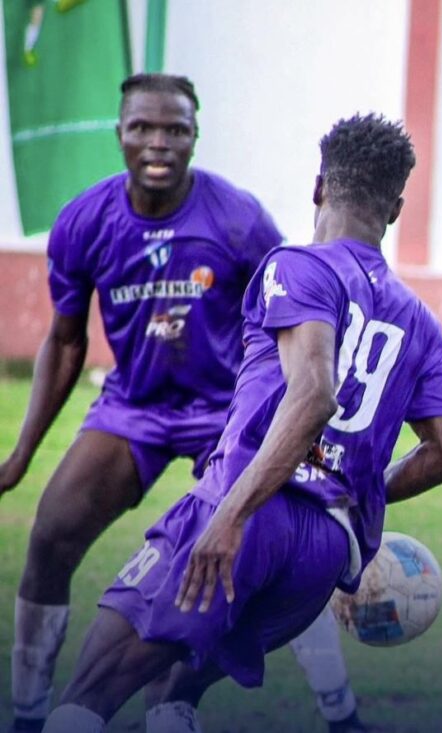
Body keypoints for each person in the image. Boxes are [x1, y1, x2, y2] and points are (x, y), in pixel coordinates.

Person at [36, 111, 442, 733]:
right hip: (320, 555)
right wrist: (359, 492)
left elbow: (313, 393)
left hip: (248, 516)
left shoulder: (298, 267)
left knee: (86, 696)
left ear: (319, 187)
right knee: (172, 694)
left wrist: (231, 515)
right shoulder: (420, 319)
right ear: (396, 209)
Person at [0, 74, 365, 733]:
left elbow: (299, 308)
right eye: (142, 127)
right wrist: (21, 453)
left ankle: (339, 713)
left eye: (175, 129)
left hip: (226, 413)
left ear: (196, 136)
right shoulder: (85, 220)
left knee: (269, 535)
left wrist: (294, 422)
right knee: (51, 534)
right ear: (120, 134)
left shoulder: (239, 218)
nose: (158, 142)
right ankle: (27, 713)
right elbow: (64, 338)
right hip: (132, 406)